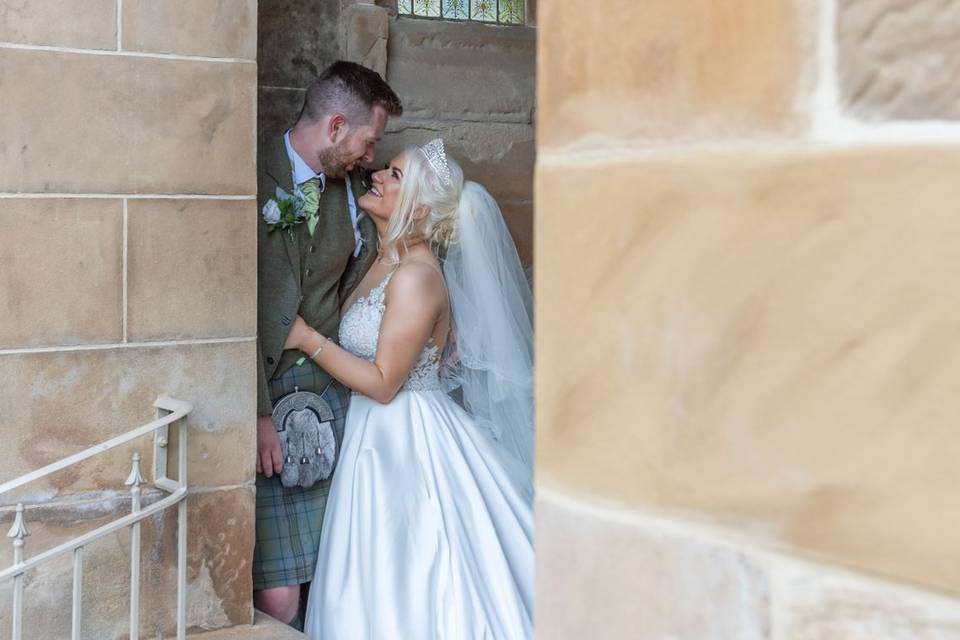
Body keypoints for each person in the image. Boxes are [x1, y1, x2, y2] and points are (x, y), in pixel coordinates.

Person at [285, 139, 534, 639]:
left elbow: (382, 383)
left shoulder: (417, 276)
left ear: (419, 208)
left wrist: (305, 338)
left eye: (394, 175)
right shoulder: (387, 262)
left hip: (403, 441)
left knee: (415, 564)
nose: (377, 175)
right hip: (374, 436)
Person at [254, 60, 402, 630]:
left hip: (339, 400)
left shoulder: (350, 194)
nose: (372, 156)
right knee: (276, 593)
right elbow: (228, 311)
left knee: (340, 566)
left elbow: (378, 270)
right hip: (271, 397)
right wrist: (255, 411)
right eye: (370, 140)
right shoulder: (248, 173)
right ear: (336, 126)